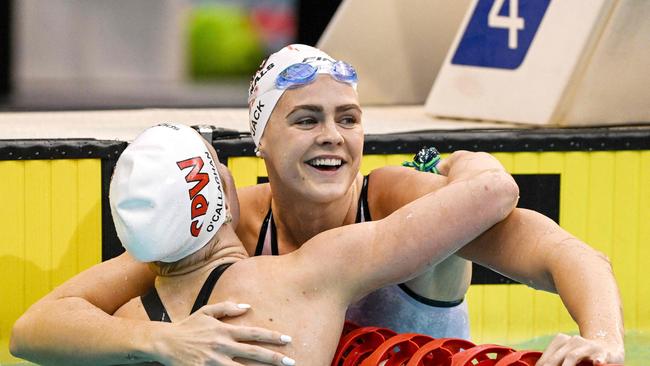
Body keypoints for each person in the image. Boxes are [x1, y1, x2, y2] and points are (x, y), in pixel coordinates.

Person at [10, 45, 624, 365]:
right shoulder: (225, 226)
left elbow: (569, 255)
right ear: (261, 144)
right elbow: (40, 326)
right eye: (307, 120)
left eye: (348, 119)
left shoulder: (400, 200)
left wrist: (601, 337)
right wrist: (161, 342)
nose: (332, 135)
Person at [109, 123, 519, 365]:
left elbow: (44, 321)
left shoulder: (124, 323)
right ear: (214, 198)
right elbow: (493, 191)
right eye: (219, 165)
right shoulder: (309, 273)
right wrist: (467, 159)